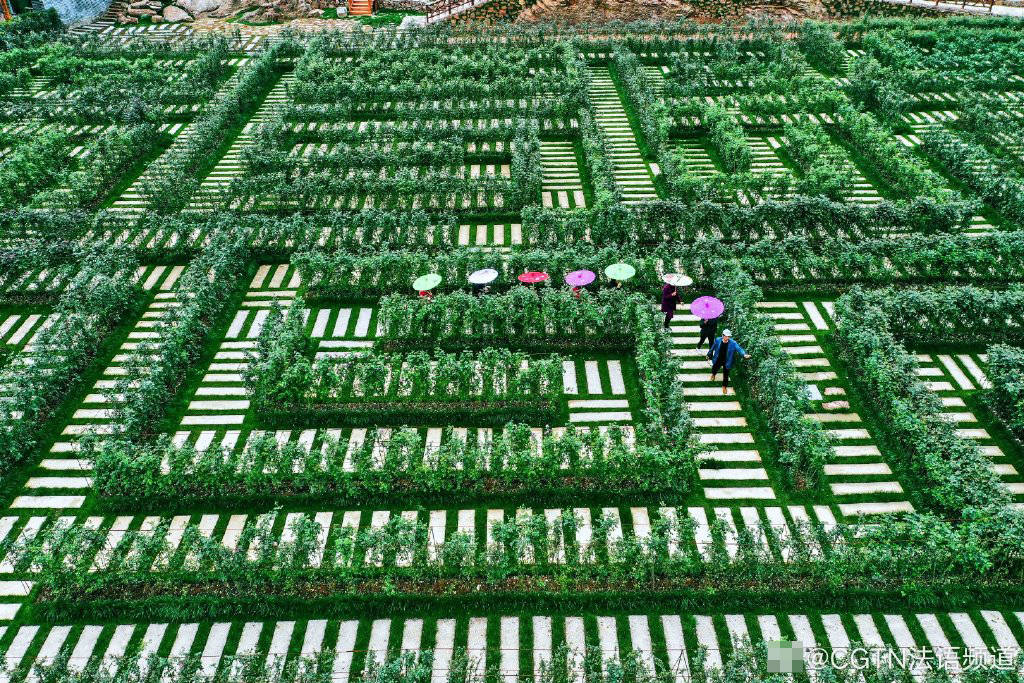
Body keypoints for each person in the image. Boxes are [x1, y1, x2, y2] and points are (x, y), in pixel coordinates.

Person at [706, 329, 751, 394]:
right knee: (715, 368)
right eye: (726, 336)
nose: (728, 338)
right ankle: (713, 374)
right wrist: (709, 353)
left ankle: (724, 386)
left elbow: (739, 349)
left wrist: (744, 354)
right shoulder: (718, 340)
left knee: (726, 375)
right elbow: (713, 347)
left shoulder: (733, 343)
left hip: (727, 361)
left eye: (729, 336)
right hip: (718, 358)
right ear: (723, 335)